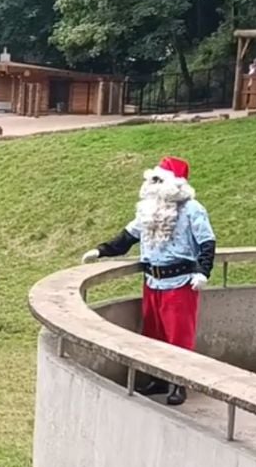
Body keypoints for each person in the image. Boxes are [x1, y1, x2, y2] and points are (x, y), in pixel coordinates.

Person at [81, 156, 216, 406]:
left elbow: (207, 241)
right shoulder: (148, 208)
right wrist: (102, 250)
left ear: (174, 184)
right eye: (152, 179)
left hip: (179, 282)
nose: (153, 184)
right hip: (152, 281)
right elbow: (128, 236)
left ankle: (179, 383)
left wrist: (203, 272)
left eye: (158, 179)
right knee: (154, 335)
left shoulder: (193, 209)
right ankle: (158, 378)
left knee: (179, 336)